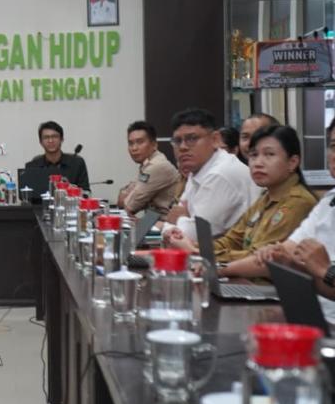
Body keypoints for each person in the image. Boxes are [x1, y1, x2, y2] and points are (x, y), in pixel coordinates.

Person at [163, 125, 316, 280]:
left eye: (269, 154)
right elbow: (232, 240)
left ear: (292, 162)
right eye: (253, 155)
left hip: (269, 289)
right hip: (245, 282)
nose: (258, 163)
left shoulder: (297, 203)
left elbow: (259, 258)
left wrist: (197, 252)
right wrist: (193, 245)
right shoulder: (265, 198)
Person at [258, 118, 335, 321]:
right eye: (334, 146)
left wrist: (326, 271)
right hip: (313, 316)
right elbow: (292, 253)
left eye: (269, 154)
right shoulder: (329, 201)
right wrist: (287, 262)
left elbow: (323, 272)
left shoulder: (299, 199)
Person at [162, 108, 259, 240]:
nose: (183, 147)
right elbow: (169, 227)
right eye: (177, 141)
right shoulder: (199, 169)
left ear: (215, 139)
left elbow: (194, 235)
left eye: (192, 138)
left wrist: (181, 218)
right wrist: (184, 219)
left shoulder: (220, 173)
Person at [117, 121, 180, 216]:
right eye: (130, 143)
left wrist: (127, 193)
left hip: (166, 223)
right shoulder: (147, 164)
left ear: (154, 145)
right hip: (153, 220)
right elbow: (122, 202)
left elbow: (129, 206)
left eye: (140, 142)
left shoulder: (156, 166)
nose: (134, 148)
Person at [24, 121, 90, 191]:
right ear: (41, 142)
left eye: (54, 136)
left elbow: (86, 192)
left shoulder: (77, 163)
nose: (50, 140)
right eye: (46, 137)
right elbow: (29, 194)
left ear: (62, 139)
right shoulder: (32, 166)